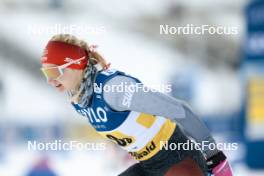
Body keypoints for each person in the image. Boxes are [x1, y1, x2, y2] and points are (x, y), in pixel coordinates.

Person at [40, 34, 233, 176]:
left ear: (75, 65)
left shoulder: (115, 89)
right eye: (46, 74)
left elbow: (180, 111)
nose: (50, 81)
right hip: (150, 165)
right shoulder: (80, 99)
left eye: (54, 72)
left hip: (178, 157)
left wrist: (214, 155)